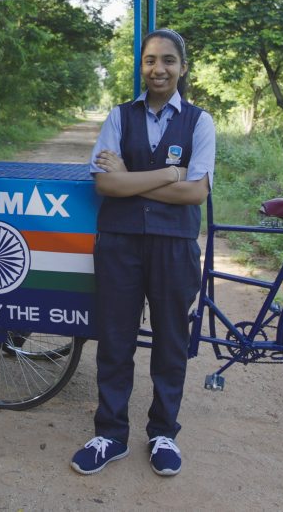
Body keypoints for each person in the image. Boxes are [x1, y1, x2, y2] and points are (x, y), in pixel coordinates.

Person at [71, 28, 215, 477]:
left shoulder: (200, 121)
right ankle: (110, 434)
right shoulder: (118, 117)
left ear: (182, 68)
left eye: (169, 60)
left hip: (174, 247)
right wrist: (171, 174)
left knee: (171, 341)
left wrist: (135, 177)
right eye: (151, 60)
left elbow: (197, 194)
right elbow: (106, 184)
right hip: (119, 243)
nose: (159, 69)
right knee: (115, 339)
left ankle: (162, 433)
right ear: (142, 66)